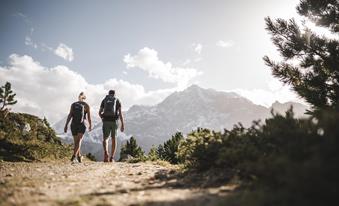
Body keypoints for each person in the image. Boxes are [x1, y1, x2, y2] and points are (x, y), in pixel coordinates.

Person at [64, 92, 92, 163]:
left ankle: (79, 156)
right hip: (82, 124)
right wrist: (90, 125)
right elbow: (89, 117)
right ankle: (74, 156)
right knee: (79, 141)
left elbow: (70, 115)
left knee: (76, 141)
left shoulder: (73, 104)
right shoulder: (86, 105)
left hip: (73, 124)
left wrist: (66, 124)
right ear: (84, 98)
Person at [99, 90, 124, 162]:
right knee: (114, 139)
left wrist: (103, 118)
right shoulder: (117, 100)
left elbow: (99, 112)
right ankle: (112, 157)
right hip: (114, 121)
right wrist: (122, 124)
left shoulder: (104, 100)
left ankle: (106, 153)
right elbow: (120, 113)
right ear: (114, 94)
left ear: (108, 94)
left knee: (105, 138)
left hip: (106, 121)